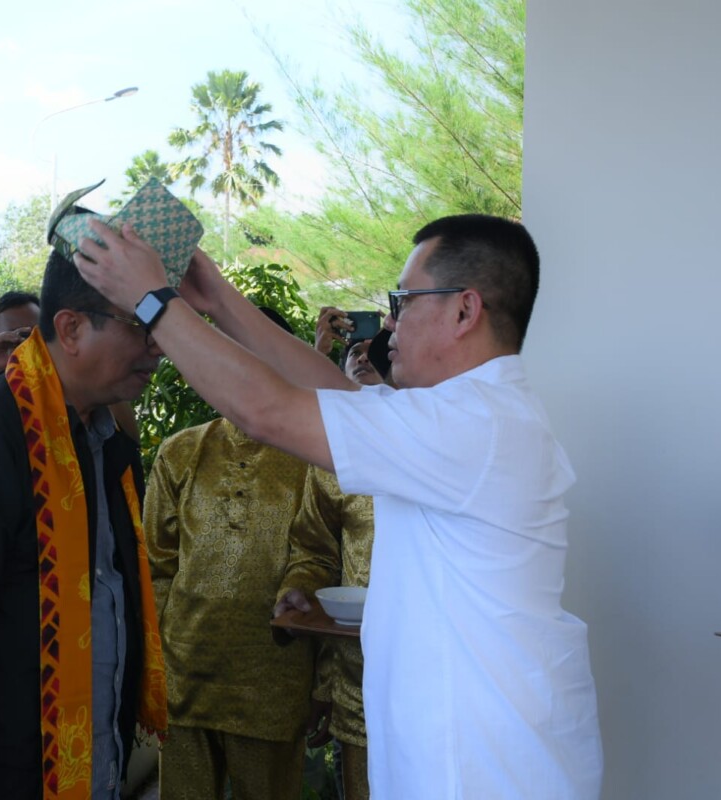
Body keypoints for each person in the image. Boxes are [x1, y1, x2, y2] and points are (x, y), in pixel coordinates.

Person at [72, 213, 604, 799]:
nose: (391, 321)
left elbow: (269, 411)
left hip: (484, 770)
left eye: (402, 299)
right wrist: (218, 298)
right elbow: (334, 393)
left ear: (464, 310)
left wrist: (152, 301)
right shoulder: (470, 415)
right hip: (469, 756)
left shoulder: (474, 424)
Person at [0, 249, 168, 800]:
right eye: (141, 327)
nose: (157, 345)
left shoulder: (103, 439)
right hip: (0, 775)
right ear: (70, 329)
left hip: (86, 765)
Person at [143, 308, 339, 800]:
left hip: (272, 681)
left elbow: (321, 554)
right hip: (185, 674)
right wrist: (152, 674)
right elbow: (156, 567)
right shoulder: (181, 451)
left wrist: (302, 589)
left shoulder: (314, 454)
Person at [291, 314, 387, 800]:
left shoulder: (424, 434)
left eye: (375, 348)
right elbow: (313, 549)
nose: (363, 356)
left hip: (432, 680)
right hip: (357, 679)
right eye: (353, 352)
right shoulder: (332, 463)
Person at [0, 290, 139, 441]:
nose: (32, 344)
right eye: (19, 336)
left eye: (39, 334)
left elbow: (130, 437)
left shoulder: (72, 388)